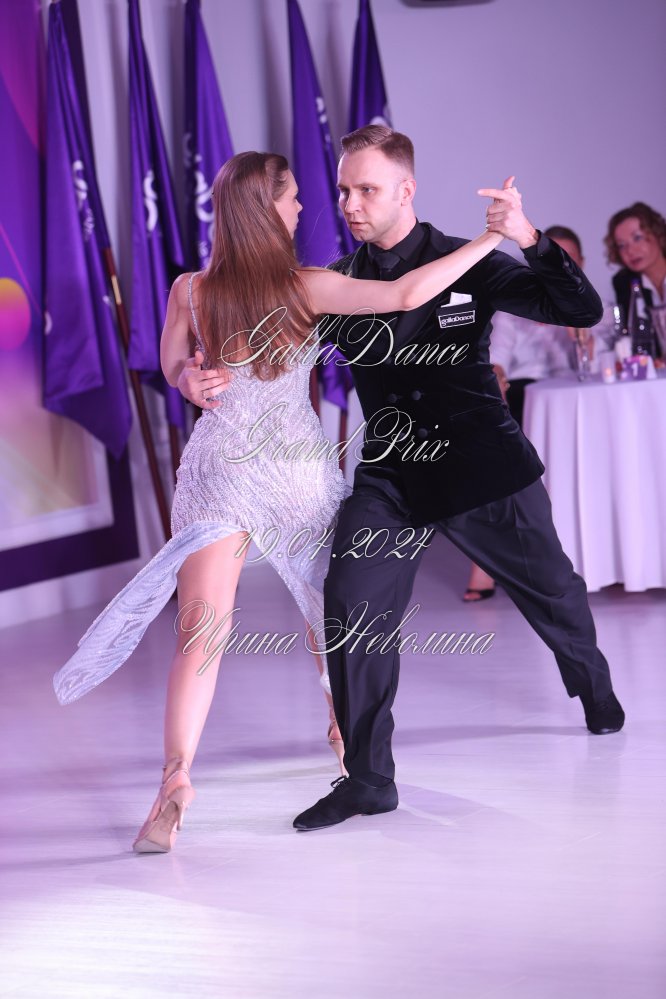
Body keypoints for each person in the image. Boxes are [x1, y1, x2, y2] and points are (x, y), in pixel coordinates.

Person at [53, 150, 503, 853]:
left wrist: (188, 382)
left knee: (201, 634)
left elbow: (171, 364)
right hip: (294, 471)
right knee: (330, 618)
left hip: (220, 470)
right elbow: (406, 294)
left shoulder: (190, 289)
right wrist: (490, 239)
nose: (300, 208)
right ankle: (346, 740)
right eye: (292, 199)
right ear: (268, 210)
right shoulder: (308, 285)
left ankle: (175, 779)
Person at [465, 226, 596, 602]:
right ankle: (488, 564)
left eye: (569, 260)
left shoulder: (591, 309)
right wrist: (497, 377)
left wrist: (579, 335)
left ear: (580, 265)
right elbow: (497, 360)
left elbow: (602, 361)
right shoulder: (516, 311)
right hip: (526, 398)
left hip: (580, 403)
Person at [604, 202, 666, 358]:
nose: (630, 251)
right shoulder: (624, 283)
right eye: (621, 245)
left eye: (637, 238)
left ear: (658, 234)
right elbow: (634, 340)